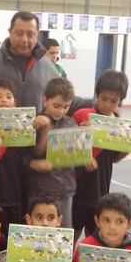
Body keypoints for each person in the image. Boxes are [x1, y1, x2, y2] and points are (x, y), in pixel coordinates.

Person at [71, 71, 131, 240]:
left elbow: (115, 158)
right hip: (76, 187)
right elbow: (65, 147)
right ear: (97, 95)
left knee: (96, 236)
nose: (107, 104)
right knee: (72, 233)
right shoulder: (82, 115)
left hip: (100, 189)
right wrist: (80, 135)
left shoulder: (119, 125)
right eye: (104, 99)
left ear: (120, 101)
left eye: (113, 101)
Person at [0, 79, 49, 233]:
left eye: (9, 96)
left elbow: (34, 154)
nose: (4, 100)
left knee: (12, 238)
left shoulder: (26, 125)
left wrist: (44, 128)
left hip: (17, 195)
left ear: (15, 103)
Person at [29, 78, 93, 229]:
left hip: (65, 190)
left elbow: (76, 155)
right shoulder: (35, 122)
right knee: (37, 232)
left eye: (66, 107)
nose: (61, 111)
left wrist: (86, 155)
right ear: (45, 100)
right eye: (56, 106)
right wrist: (33, 163)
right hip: (39, 191)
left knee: (64, 233)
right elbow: (28, 155)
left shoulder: (70, 123)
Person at [0, 11, 60, 113]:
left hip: (37, 129)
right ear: (10, 32)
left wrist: (48, 121)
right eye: (19, 33)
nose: (24, 39)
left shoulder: (49, 69)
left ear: (37, 34)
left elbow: (61, 106)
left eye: (30, 34)